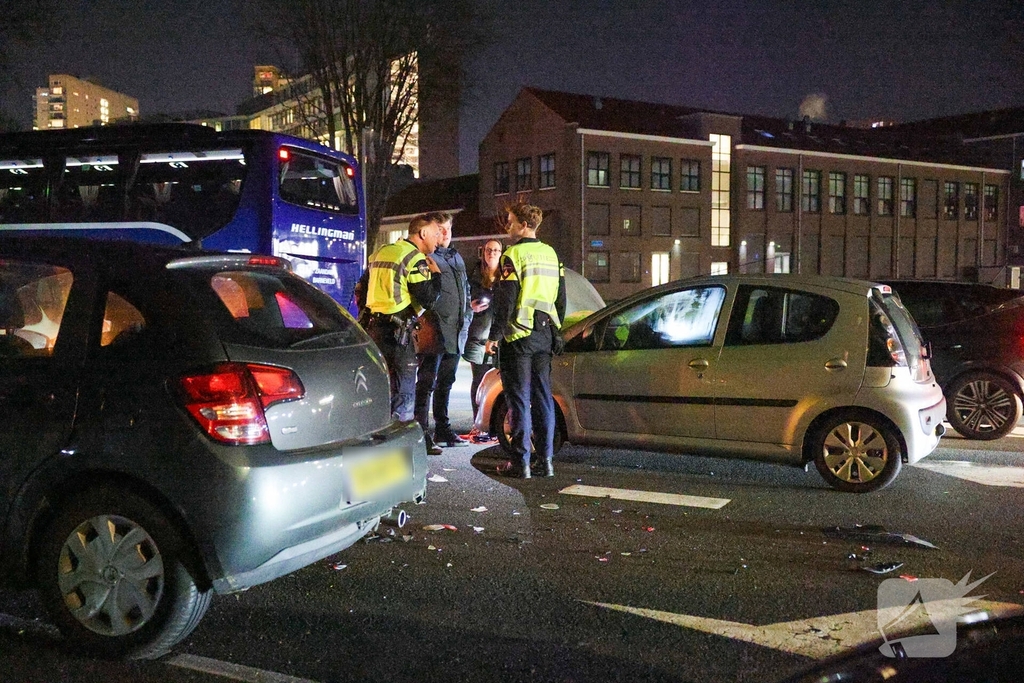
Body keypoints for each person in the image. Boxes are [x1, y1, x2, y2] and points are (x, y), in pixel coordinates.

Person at [484, 203, 566, 479]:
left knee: (518, 400)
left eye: (510, 222)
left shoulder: (513, 255)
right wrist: (557, 330)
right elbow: (561, 299)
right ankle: (547, 460)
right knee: (543, 398)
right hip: (544, 334)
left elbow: (506, 300)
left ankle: (522, 463)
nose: (507, 227)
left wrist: (494, 336)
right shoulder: (552, 254)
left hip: (518, 335)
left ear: (523, 225)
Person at [355, 214, 442, 423]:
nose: (438, 240)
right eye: (436, 234)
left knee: (378, 387)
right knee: (404, 391)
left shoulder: (382, 252)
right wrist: (437, 275)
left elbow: (361, 289)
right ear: (423, 234)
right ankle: (399, 440)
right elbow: (429, 298)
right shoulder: (415, 259)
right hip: (398, 335)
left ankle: (376, 436)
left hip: (374, 331)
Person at [414, 212, 471, 454]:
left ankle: (443, 428)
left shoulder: (456, 256)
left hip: (456, 330)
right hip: (436, 331)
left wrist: (469, 310)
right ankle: (421, 433)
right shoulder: (428, 257)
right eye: (441, 229)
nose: (445, 233)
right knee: (426, 383)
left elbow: (464, 289)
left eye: (448, 228)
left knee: (446, 382)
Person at [463, 238, 503, 438]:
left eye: (496, 250)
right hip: (478, 335)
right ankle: (477, 424)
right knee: (478, 381)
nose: (492, 253)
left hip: (497, 338)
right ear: (483, 252)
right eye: (489, 250)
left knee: (498, 382)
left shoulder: (506, 275)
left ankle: (494, 425)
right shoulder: (474, 275)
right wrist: (471, 307)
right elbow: (465, 298)